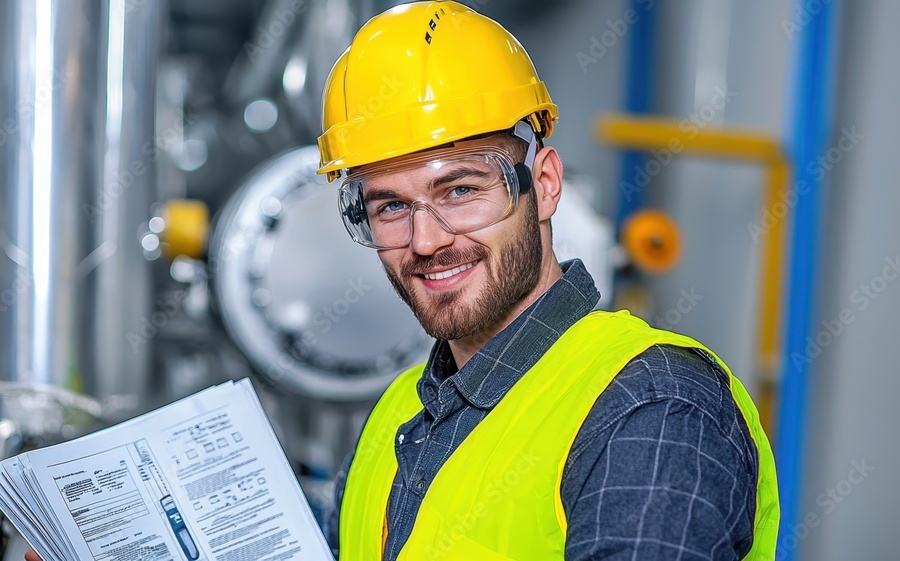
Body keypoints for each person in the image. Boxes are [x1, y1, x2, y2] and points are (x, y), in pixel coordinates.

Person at [315, 2, 779, 560]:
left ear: (545, 182)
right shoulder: (395, 413)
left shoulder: (648, 404)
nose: (426, 241)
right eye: (390, 206)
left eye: (460, 191)